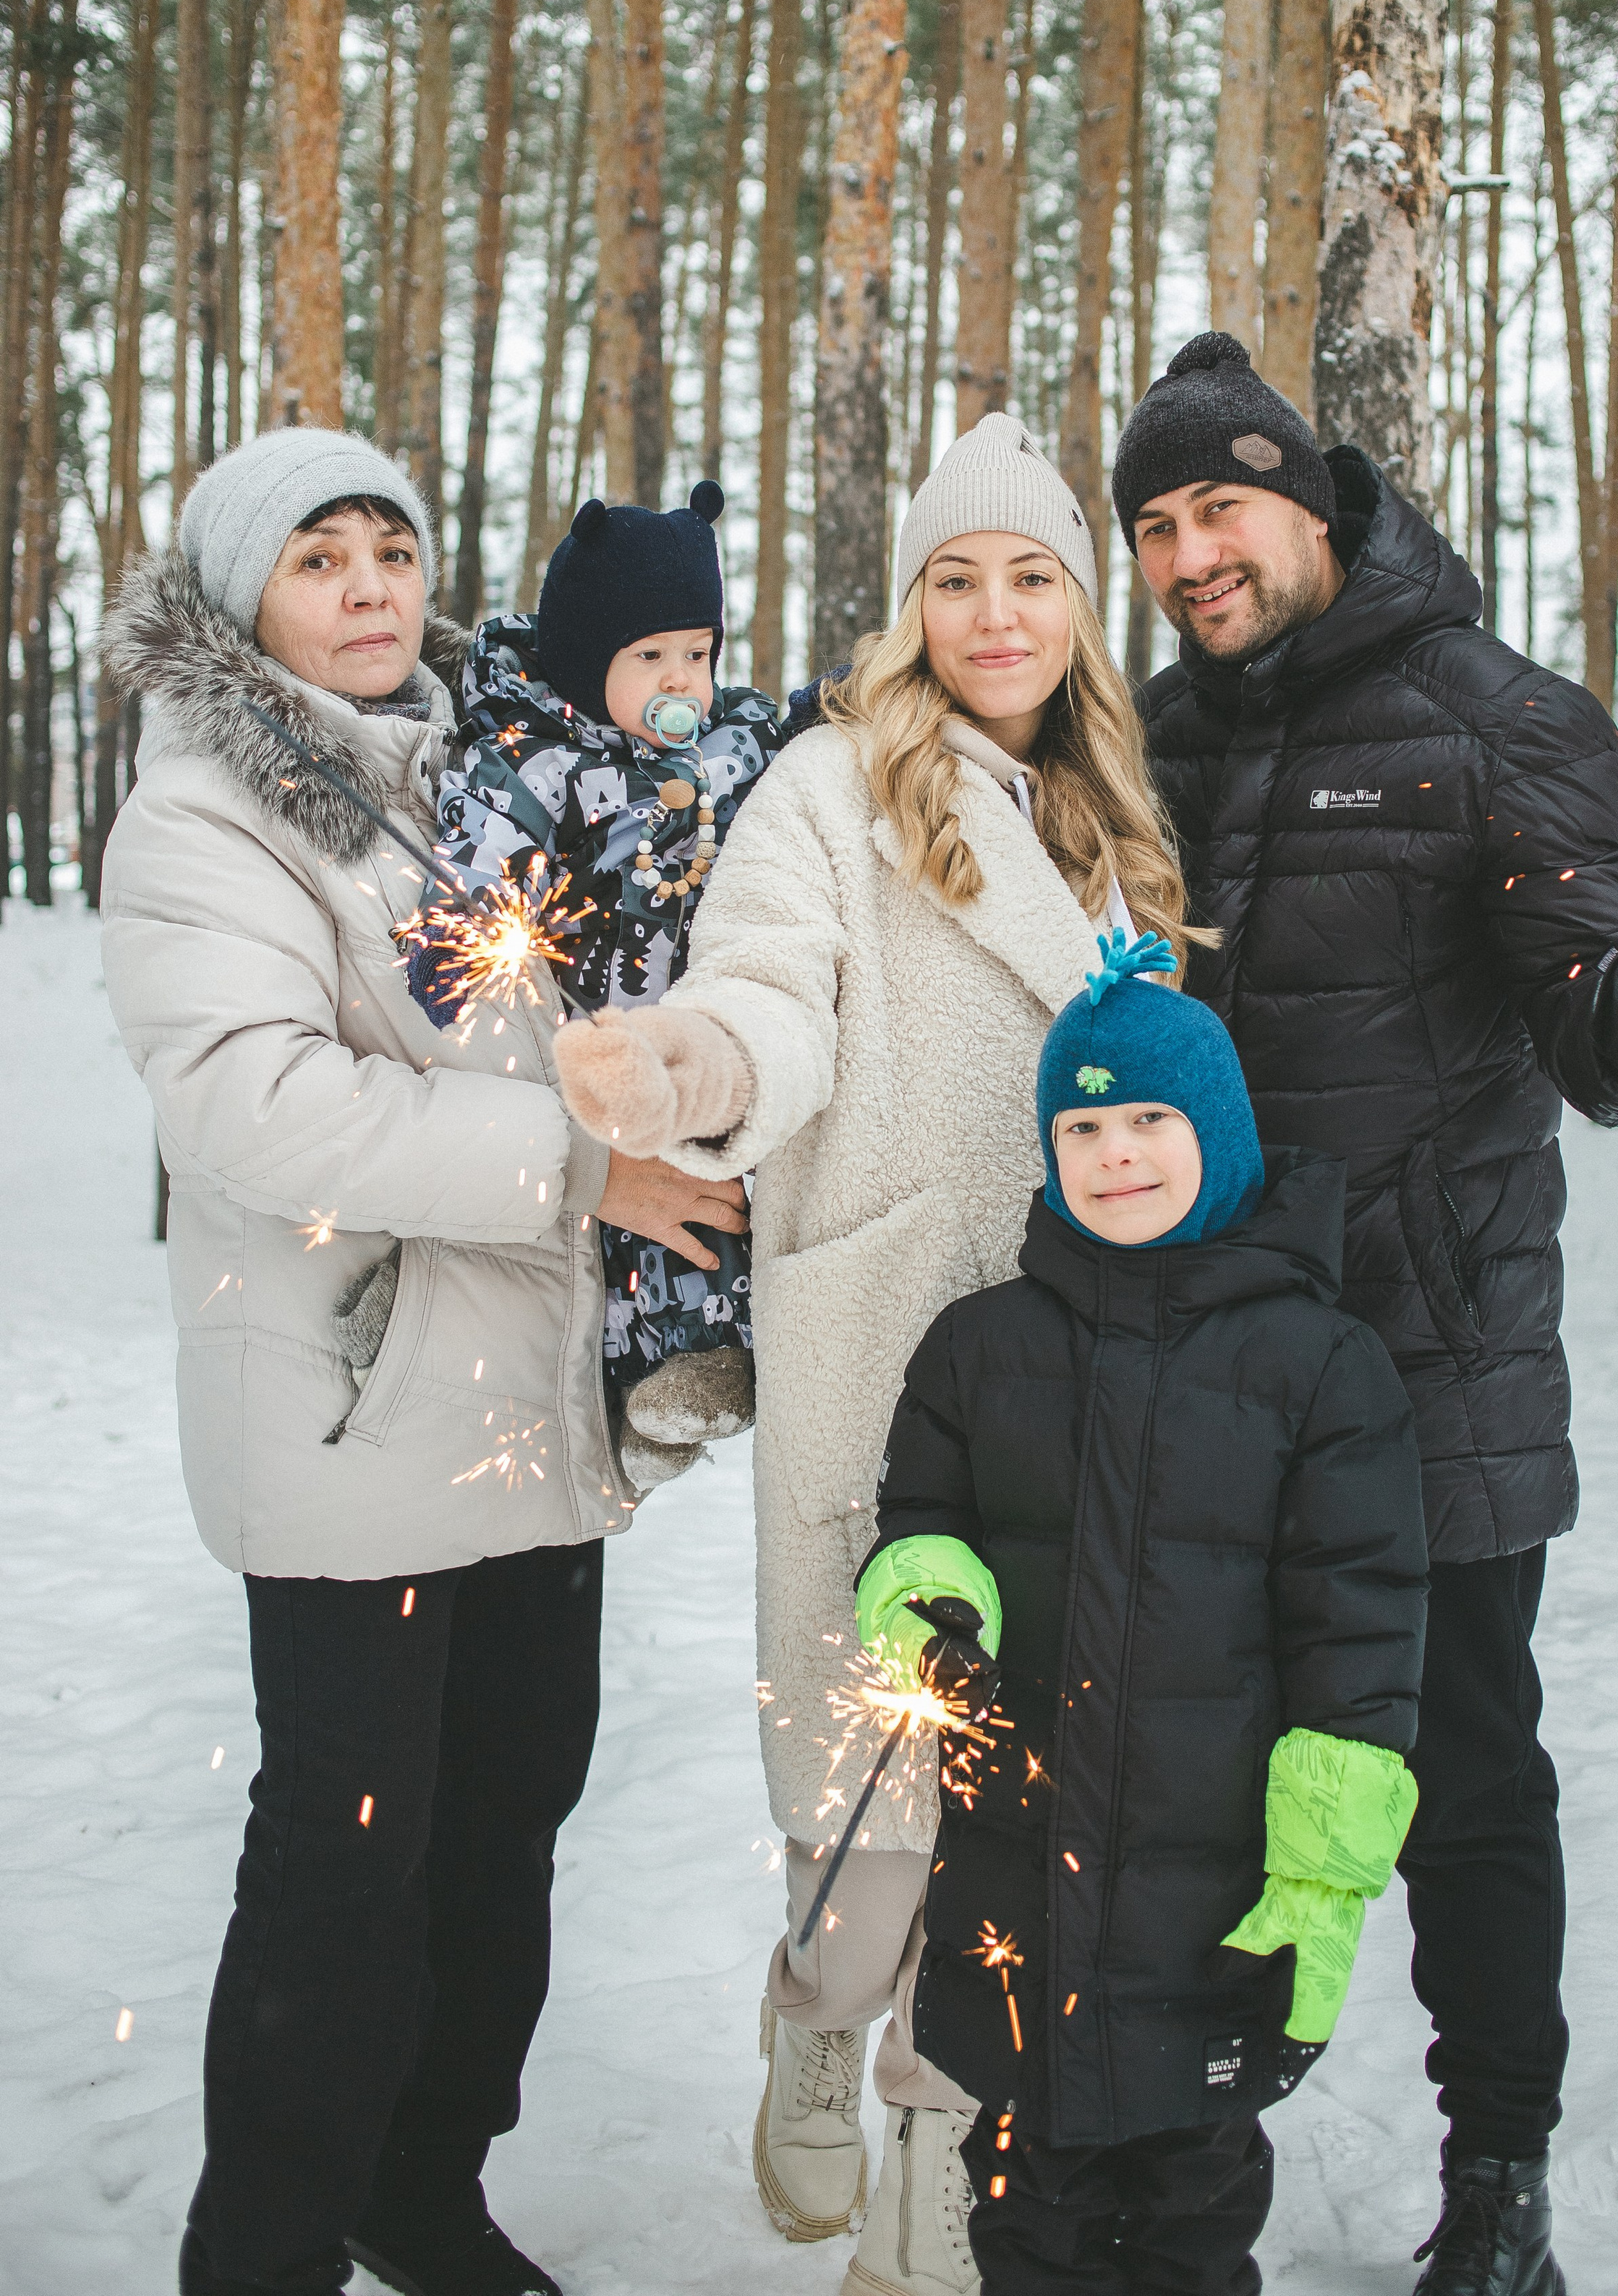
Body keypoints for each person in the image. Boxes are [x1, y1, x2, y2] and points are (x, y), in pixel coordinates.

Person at [1115, 330, 1618, 2296]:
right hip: (1207, 1366)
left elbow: (1600, 1038)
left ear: (1314, 503)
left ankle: (1502, 2184)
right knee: (1197, 1782)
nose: (1192, 554)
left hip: (1430, 1362)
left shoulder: (1504, 718)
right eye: (1153, 525)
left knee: (1464, 1780)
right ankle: (1179, 2152)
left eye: (1223, 506)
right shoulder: (1149, 738)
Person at [551, 414, 1197, 2296]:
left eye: (1032, 575)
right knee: (874, 1815)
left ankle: (938, 2161)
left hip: (1081, 1373)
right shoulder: (830, 791)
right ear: (911, 607)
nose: (995, 613)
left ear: (1080, 604)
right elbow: (772, 994)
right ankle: (816, 2017)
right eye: (955, 577)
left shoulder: (1121, 822)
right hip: (891, 1358)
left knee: (1016, 1825)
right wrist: (694, 1071)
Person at [98, 429, 746, 2296]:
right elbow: (253, 1107)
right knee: (344, 1865)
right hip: (350, 1405)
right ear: (245, 598)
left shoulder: (487, 768)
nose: (374, 583)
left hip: (523, 1417)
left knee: (507, 1829)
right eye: (323, 557)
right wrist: (578, 1168)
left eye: (393, 545)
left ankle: (425, 2178)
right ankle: (269, 2243)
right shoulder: (206, 815)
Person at [856, 928, 1429, 2296]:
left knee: (1192, 2208)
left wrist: (1322, 1866)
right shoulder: (980, 1347)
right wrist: (927, 1597)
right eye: (1087, 1125)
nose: (1117, 1154)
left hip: (1215, 1887)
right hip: (1018, 1872)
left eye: (1152, 1120)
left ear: (1217, 1134)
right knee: (1026, 2213)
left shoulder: (1319, 1363)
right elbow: (916, 1517)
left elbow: (1361, 1627)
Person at [409, 481, 785, 1493]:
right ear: (588, 662)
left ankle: (698, 1365)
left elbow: (797, 733)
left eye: (697, 654)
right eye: (650, 658)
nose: (683, 682)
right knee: (615, 1223)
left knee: (710, 1196)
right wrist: (459, 938)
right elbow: (482, 847)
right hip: (584, 1041)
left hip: (694, 1035)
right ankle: (622, 1388)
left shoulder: (727, 743)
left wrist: (855, 699)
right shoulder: (537, 760)